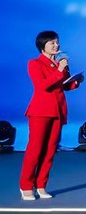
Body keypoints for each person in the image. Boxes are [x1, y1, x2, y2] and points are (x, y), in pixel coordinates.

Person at [21, 30, 82, 200]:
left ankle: (41, 185)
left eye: (57, 42)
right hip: (40, 112)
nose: (56, 45)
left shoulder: (60, 63)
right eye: (52, 43)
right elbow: (42, 86)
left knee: (50, 150)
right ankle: (26, 186)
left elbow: (64, 86)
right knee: (35, 149)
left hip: (58, 111)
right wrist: (60, 69)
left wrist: (76, 82)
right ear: (43, 46)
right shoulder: (34, 63)